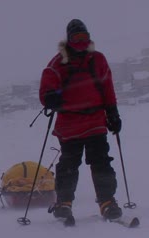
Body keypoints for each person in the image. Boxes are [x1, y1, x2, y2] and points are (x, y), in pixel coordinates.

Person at [39, 19, 123, 220]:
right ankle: (64, 203)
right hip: (69, 124)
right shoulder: (57, 63)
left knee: (101, 162)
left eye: (84, 38)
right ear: (69, 39)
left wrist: (113, 113)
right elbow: (46, 90)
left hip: (95, 122)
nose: (81, 41)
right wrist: (50, 98)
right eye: (77, 38)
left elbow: (107, 88)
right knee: (69, 165)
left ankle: (107, 202)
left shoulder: (98, 60)